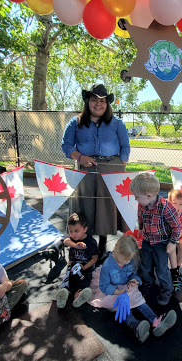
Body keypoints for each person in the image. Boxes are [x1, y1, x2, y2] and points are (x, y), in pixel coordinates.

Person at [61, 84, 131, 255]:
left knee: (106, 207)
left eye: (102, 101)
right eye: (94, 100)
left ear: (107, 104)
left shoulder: (117, 123)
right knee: (86, 205)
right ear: (87, 102)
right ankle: (86, 241)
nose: (98, 104)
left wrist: (120, 164)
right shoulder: (75, 122)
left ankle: (104, 242)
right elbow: (66, 145)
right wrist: (80, 157)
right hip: (86, 169)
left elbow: (125, 147)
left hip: (111, 169)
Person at [88, 234, 177, 343]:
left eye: (129, 260)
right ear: (117, 252)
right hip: (112, 291)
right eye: (125, 260)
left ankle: (155, 320)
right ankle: (135, 326)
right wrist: (118, 292)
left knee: (138, 300)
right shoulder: (108, 266)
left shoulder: (129, 260)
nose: (127, 262)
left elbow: (134, 274)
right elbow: (104, 286)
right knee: (124, 306)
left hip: (126, 286)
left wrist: (135, 280)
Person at [129, 172, 180, 306]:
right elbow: (140, 216)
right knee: (145, 265)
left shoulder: (166, 208)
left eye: (137, 197)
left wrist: (173, 242)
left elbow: (176, 226)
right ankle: (147, 283)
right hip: (147, 240)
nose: (136, 199)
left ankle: (167, 289)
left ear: (149, 196)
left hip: (162, 243)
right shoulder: (142, 204)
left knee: (162, 269)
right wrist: (140, 227)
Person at [56, 213, 99, 308]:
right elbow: (65, 241)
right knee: (68, 277)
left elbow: (94, 258)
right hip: (73, 264)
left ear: (85, 229)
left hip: (86, 265)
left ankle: (79, 295)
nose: (73, 234)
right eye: (70, 231)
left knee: (85, 278)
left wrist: (85, 267)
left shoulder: (91, 242)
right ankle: (64, 293)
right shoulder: (72, 239)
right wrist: (75, 245)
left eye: (76, 231)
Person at [167, 189, 182, 292]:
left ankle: (177, 268)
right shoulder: (166, 215)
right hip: (169, 238)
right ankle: (174, 272)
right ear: (169, 203)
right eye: (174, 203)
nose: (177, 207)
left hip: (179, 237)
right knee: (172, 246)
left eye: (180, 204)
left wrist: (181, 234)